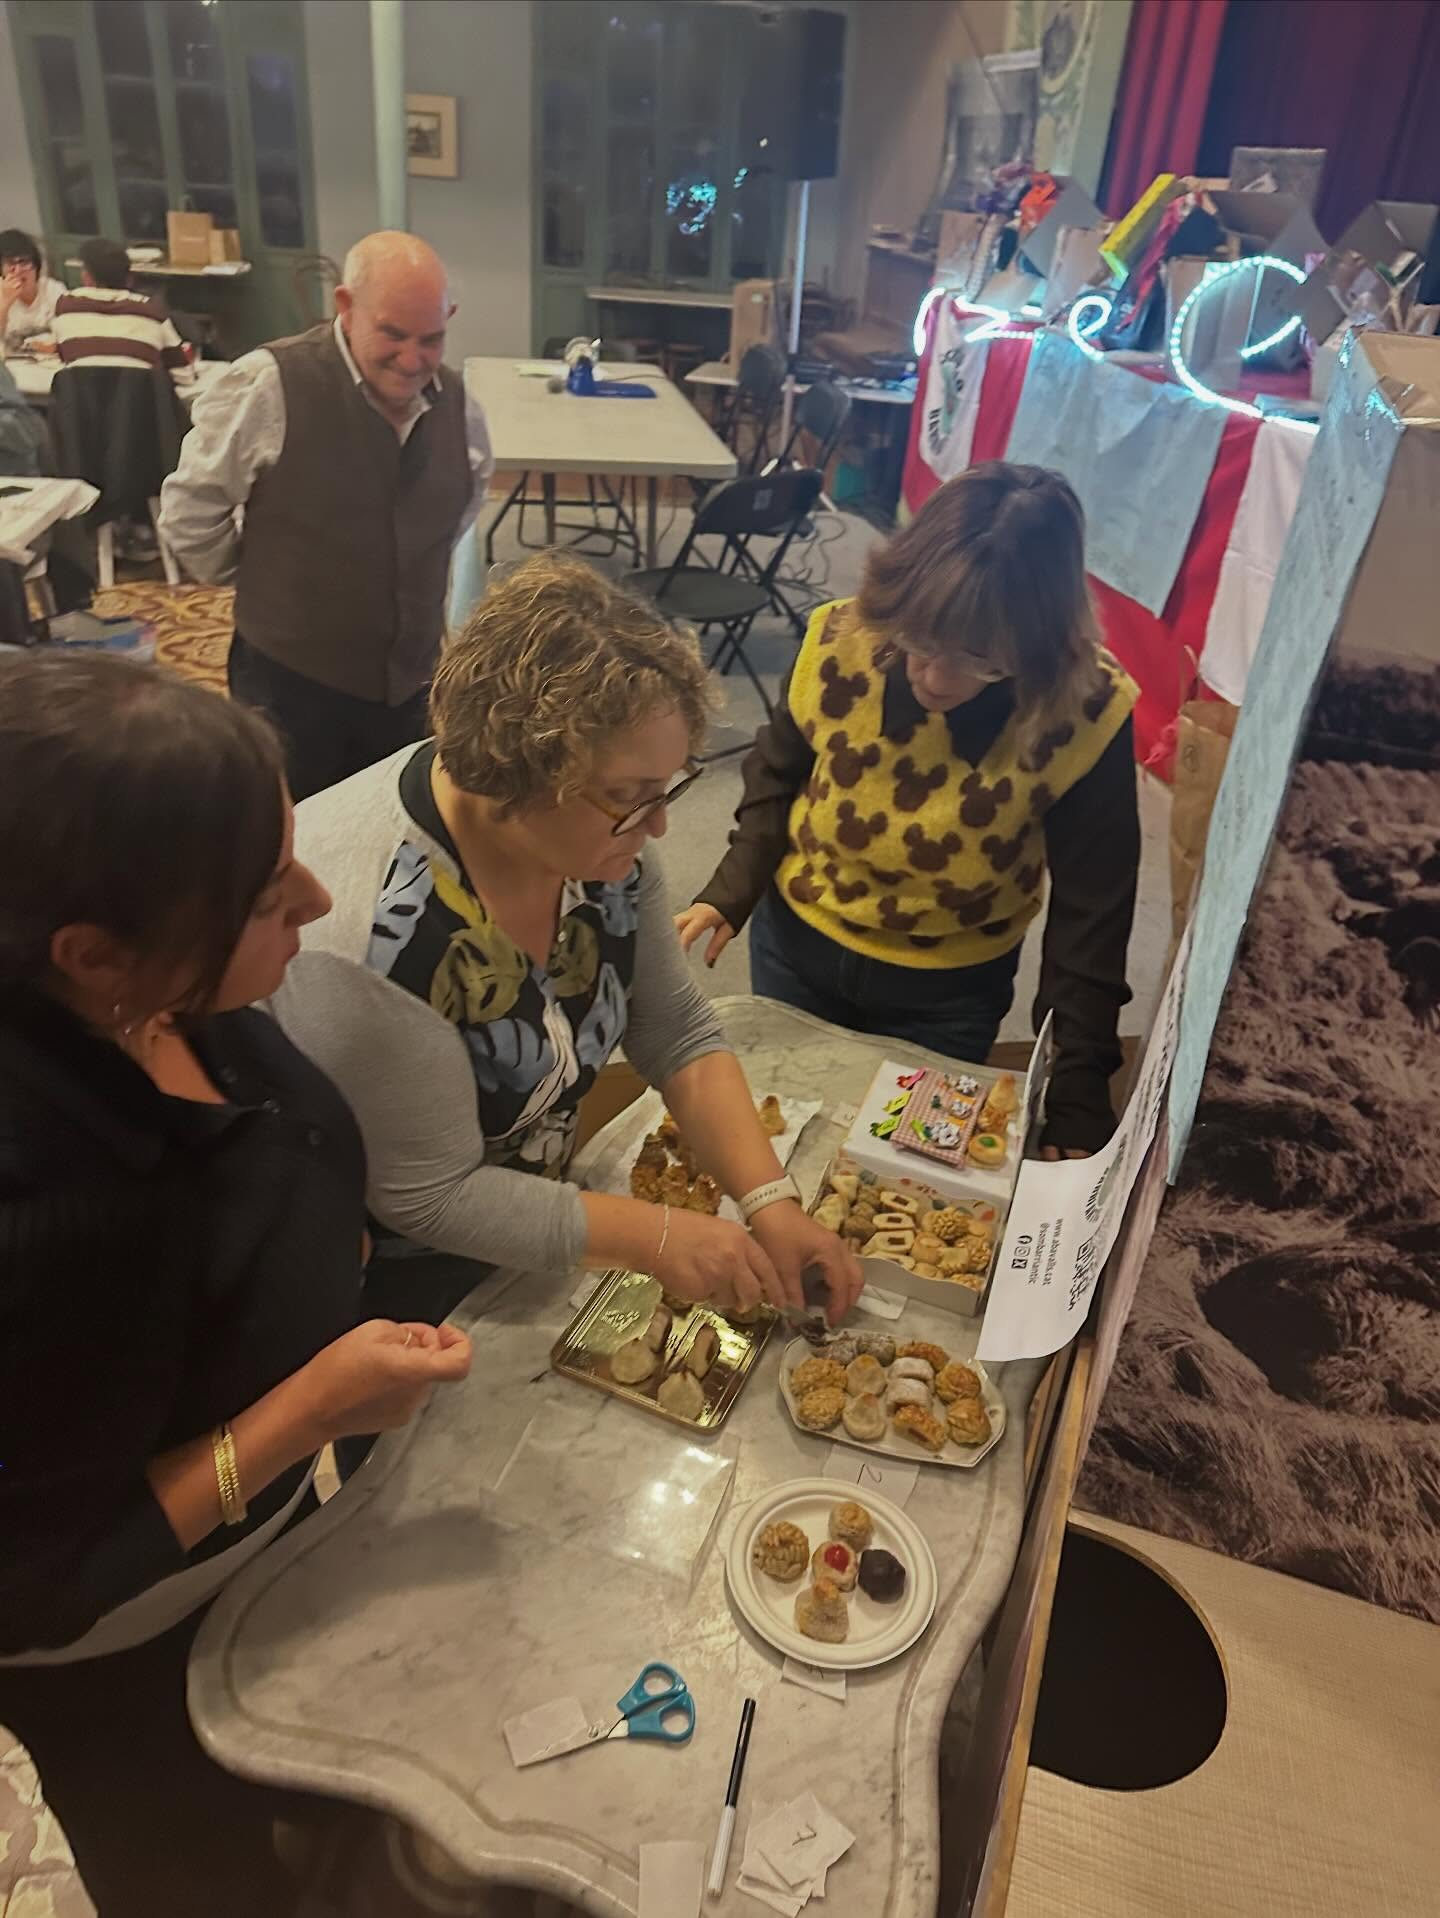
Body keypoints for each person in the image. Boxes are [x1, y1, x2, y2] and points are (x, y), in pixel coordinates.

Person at [0, 651, 472, 1916]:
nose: (320, 896)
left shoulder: (147, 992)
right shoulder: (50, 1218)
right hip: (128, 1655)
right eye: (268, 895)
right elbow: (31, 1590)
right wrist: (308, 1407)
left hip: (265, 1555)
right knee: (200, 1873)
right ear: (98, 955)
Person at [272, 552, 862, 1329]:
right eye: (630, 797)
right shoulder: (371, 943)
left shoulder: (593, 834)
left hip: (536, 1210)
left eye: (668, 788)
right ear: (511, 773)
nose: (658, 829)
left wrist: (769, 1200)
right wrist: (652, 1235)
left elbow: (674, 1027)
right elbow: (429, 1195)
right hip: (388, 1282)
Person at [677, 464, 1141, 1158]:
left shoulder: (1086, 709)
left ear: (1040, 647)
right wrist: (734, 886)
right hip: (796, 946)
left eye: (977, 662)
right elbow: (776, 776)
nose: (932, 678)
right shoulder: (844, 636)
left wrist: (1075, 1090)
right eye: (919, 645)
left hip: (948, 990)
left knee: (903, 1170)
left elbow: (1093, 918)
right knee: (783, 1144)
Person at [159, 230, 495, 800]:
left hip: (413, 683)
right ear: (345, 305)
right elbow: (190, 513)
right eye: (392, 333)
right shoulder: (270, 384)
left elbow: (458, 513)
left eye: (431, 339)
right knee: (297, 837)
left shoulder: (462, 409)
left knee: (393, 829)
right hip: (290, 682)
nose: (413, 359)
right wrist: (261, 580)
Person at [51, 235, 194, 383]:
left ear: (87, 277)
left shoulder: (66, 306)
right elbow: (184, 376)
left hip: (80, 404)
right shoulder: (150, 311)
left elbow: (65, 360)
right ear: (129, 279)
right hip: (140, 403)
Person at [0, 227, 66, 353]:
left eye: (24, 262)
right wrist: (4, 305)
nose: (18, 271)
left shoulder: (54, 290)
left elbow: (69, 334)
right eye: (10, 264)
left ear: (36, 265)